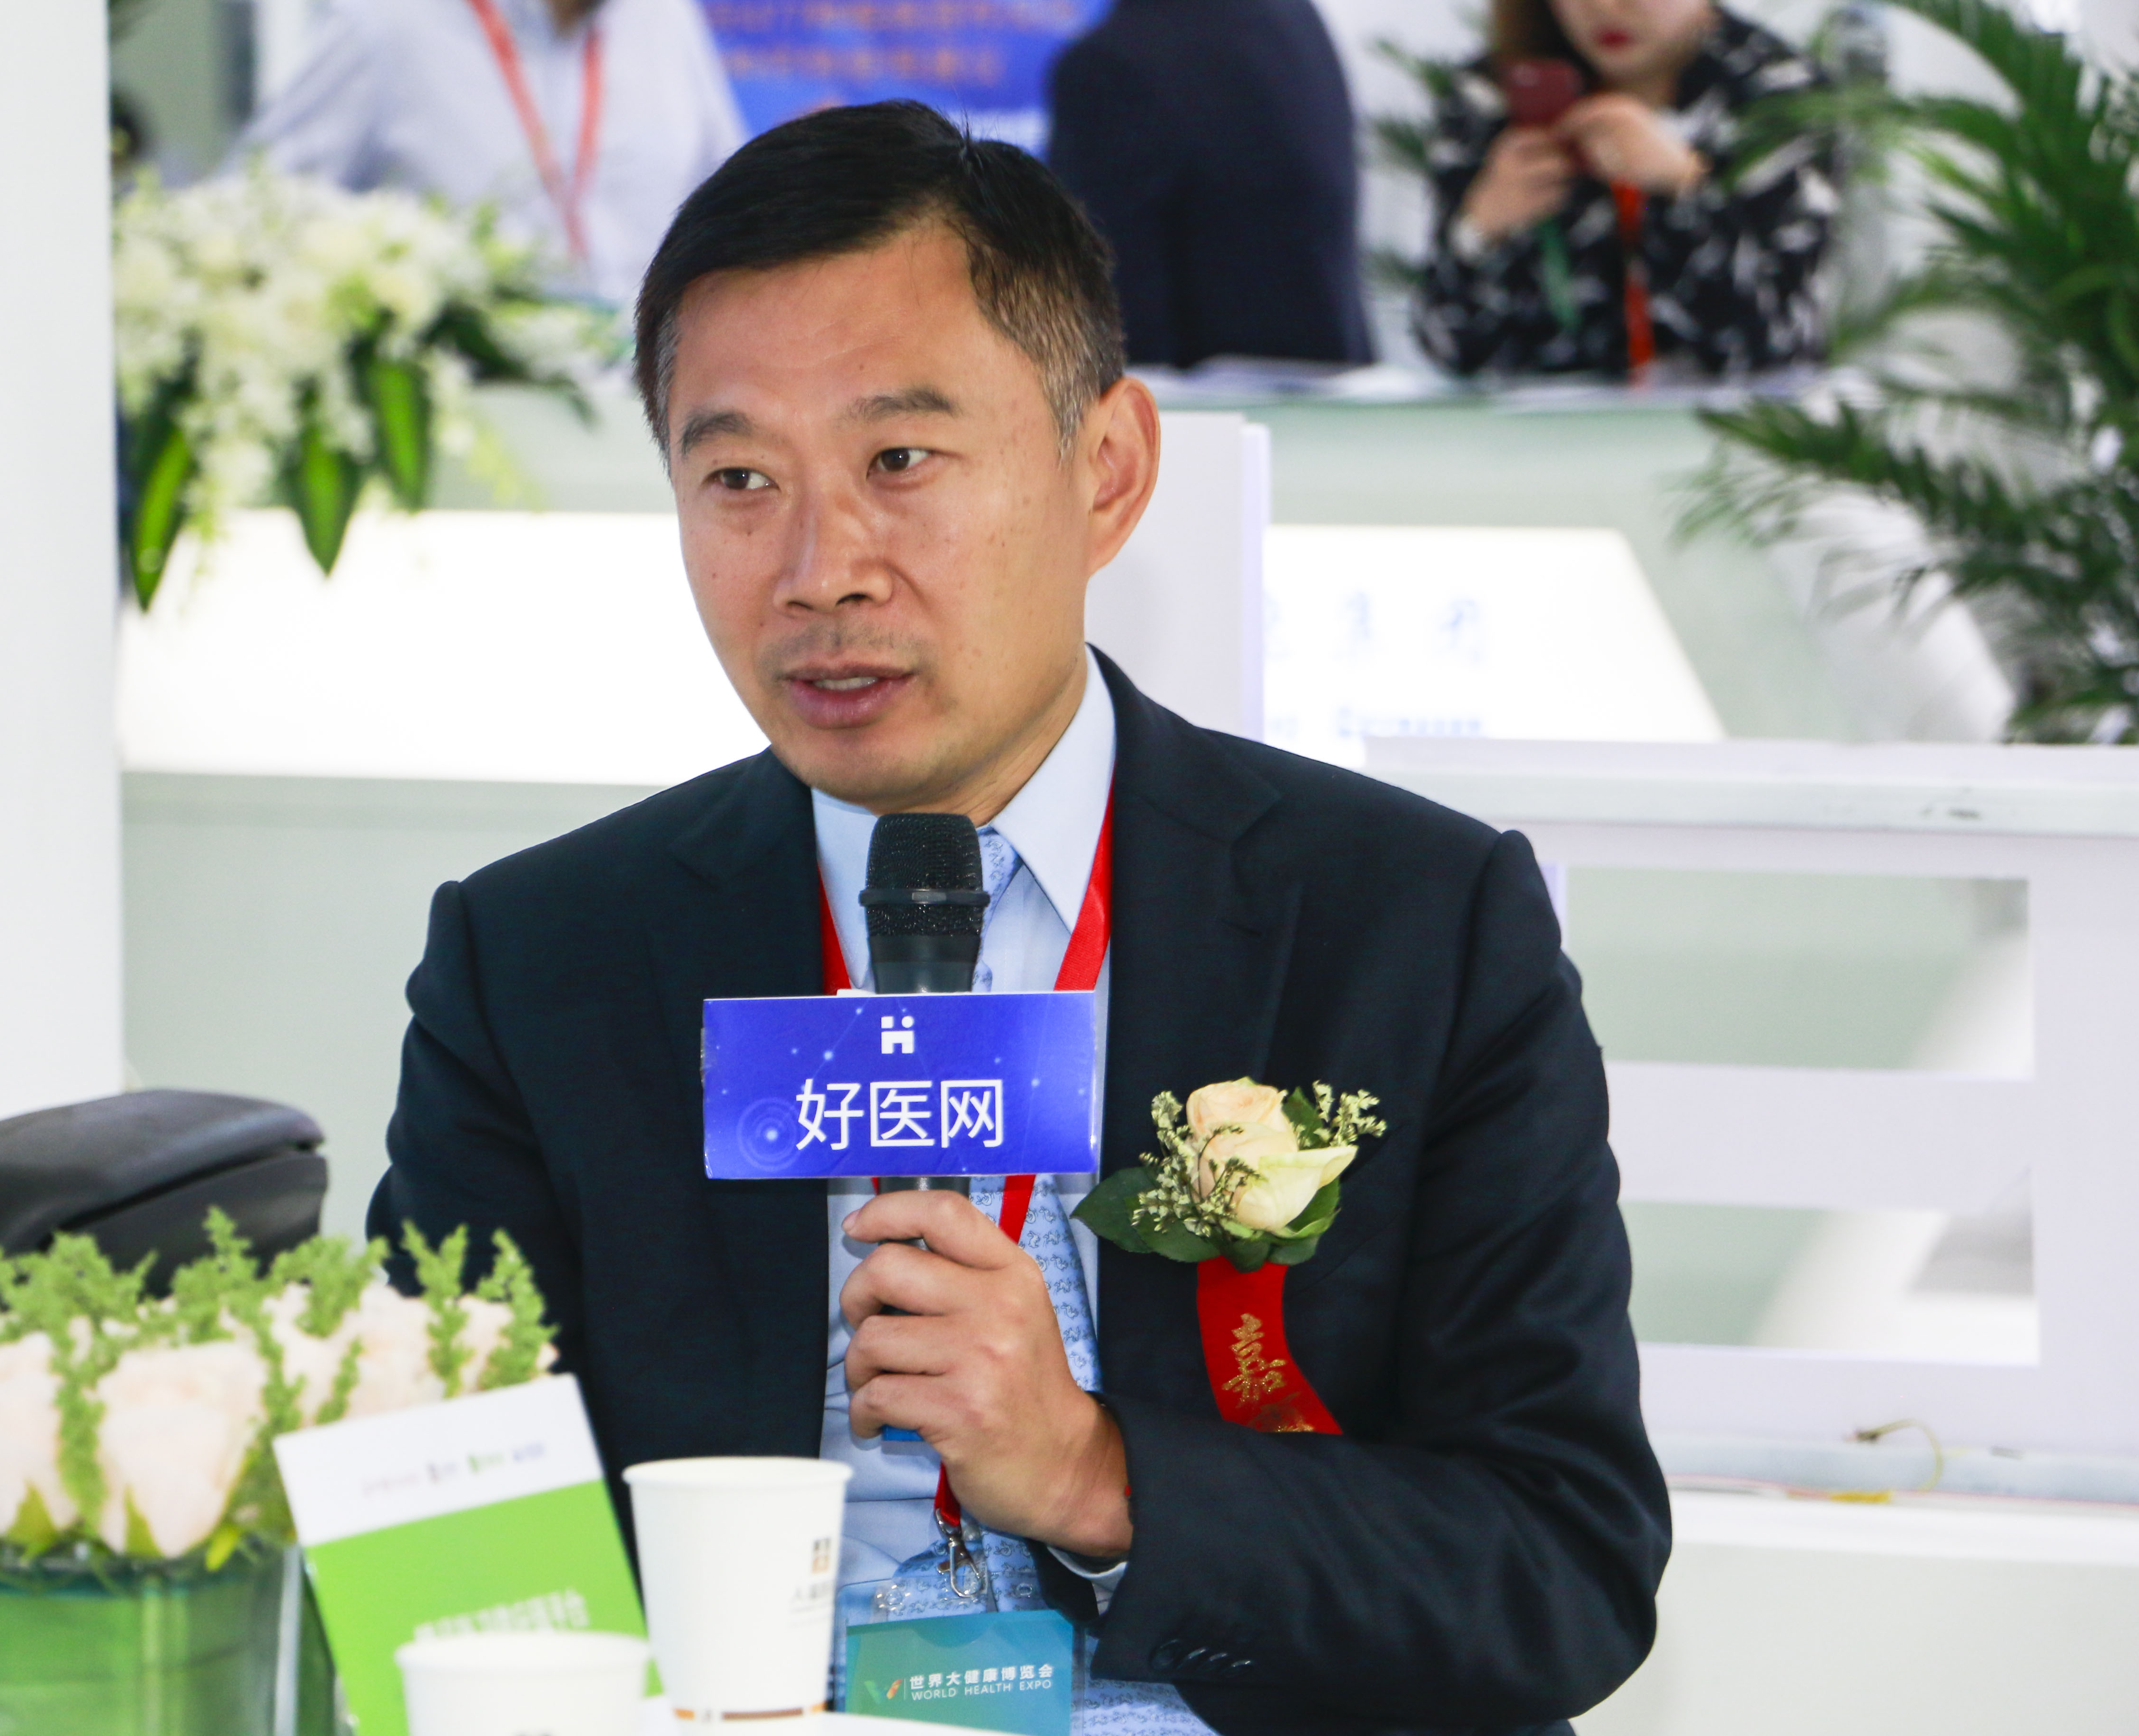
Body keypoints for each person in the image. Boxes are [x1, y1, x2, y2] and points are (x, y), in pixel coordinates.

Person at [375, 100, 1668, 1735]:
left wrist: (1093, 1471)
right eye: (739, 478)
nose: (821, 567)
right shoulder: (541, 960)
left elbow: (1561, 1563)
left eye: (899, 461)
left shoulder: (1409, 924)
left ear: (1106, 469)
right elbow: (451, 1526)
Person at [1413, 0, 1835, 377]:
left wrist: (1685, 190)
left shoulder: (1779, 95)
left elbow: (1775, 345)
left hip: (1716, 430)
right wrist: (1480, 228)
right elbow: (1449, 347)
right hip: (1542, 433)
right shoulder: (1493, 95)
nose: (1606, 7)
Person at [234, 0, 743, 304]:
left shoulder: (665, 19)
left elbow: (733, 222)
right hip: (469, 422)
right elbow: (242, 222)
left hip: (642, 418)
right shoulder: (387, 23)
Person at [1047, 0, 1370, 370]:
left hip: (1206, 396)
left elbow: (1111, 309)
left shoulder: (1109, 63)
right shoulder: (1292, 17)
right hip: (1338, 382)